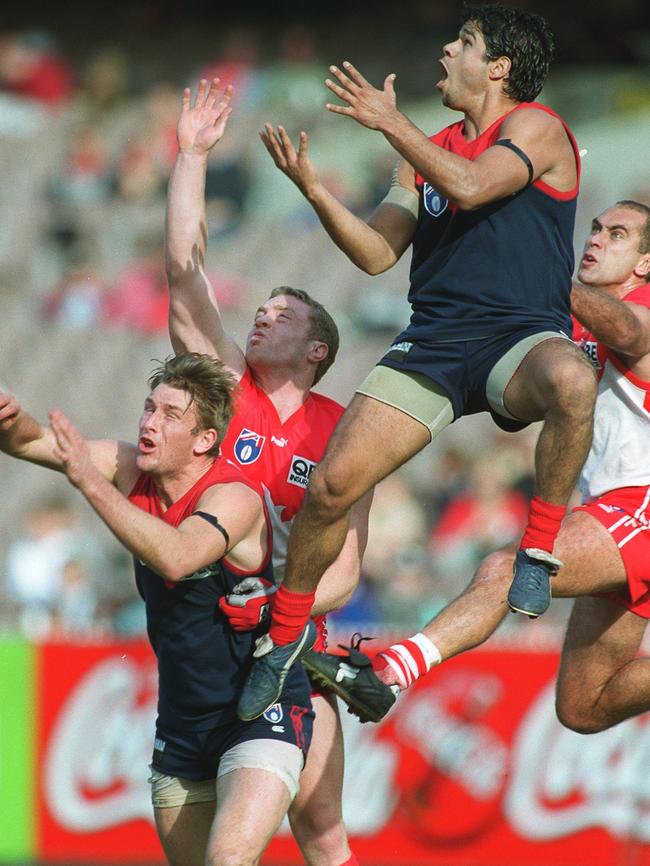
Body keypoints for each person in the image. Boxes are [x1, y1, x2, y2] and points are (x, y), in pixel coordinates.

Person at [239, 2, 597, 720]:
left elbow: (471, 185)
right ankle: (281, 641)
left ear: (497, 65)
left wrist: (388, 123)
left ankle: (536, 551)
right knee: (332, 486)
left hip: (519, 334)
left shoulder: (535, 125)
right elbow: (376, 254)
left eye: (462, 41)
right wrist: (315, 188)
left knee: (571, 378)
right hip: (434, 342)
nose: (444, 50)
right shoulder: (421, 151)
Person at [302, 200, 650, 733]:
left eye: (618, 235)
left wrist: (543, 277)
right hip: (610, 514)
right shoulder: (578, 326)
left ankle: (384, 676)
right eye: (597, 228)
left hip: (639, 510)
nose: (597, 239)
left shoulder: (637, 307)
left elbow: (629, 332)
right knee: (582, 706)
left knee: (504, 569)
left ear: (645, 263)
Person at [0, 353, 315, 866]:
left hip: (261, 715)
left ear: (204, 440)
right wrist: (10, 421)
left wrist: (91, 483)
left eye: (170, 415)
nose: (149, 421)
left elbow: (176, 555)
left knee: (229, 860)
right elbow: (36, 442)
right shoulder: (128, 468)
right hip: (182, 725)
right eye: (149, 407)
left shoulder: (232, 496)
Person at [165, 79, 370, 866]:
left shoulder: (348, 429)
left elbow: (347, 568)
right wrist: (190, 157)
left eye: (283, 315)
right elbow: (186, 276)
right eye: (262, 308)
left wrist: (280, 614)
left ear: (317, 349)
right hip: (210, 637)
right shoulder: (232, 389)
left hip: (293, 645)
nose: (262, 315)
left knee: (322, 832)